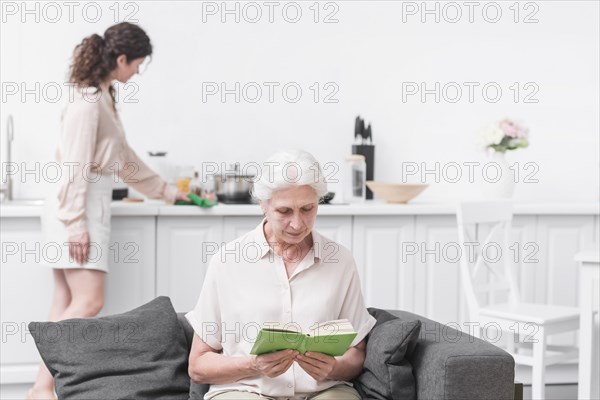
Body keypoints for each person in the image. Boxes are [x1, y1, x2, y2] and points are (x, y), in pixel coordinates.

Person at [29, 22, 189, 400]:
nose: (137, 72)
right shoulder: (88, 101)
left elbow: (125, 159)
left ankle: (41, 387)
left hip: (80, 205)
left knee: (65, 301)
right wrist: (75, 224)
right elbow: (75, 165)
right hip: (78, 207)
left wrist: (166, 191)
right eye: (137, 64)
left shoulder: (103, 96)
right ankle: (40, 387)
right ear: (121, 58)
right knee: (89, 301)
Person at [186, 149, 376, 400]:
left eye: (307, 209)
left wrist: (335, 367)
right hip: (246, 391)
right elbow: (198, 366)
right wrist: (252, 365)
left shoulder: (340, 260)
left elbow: (356, 352)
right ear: (263, 206)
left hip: (323, 392)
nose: (297, 224)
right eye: (284, 211)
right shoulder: (228, 261)